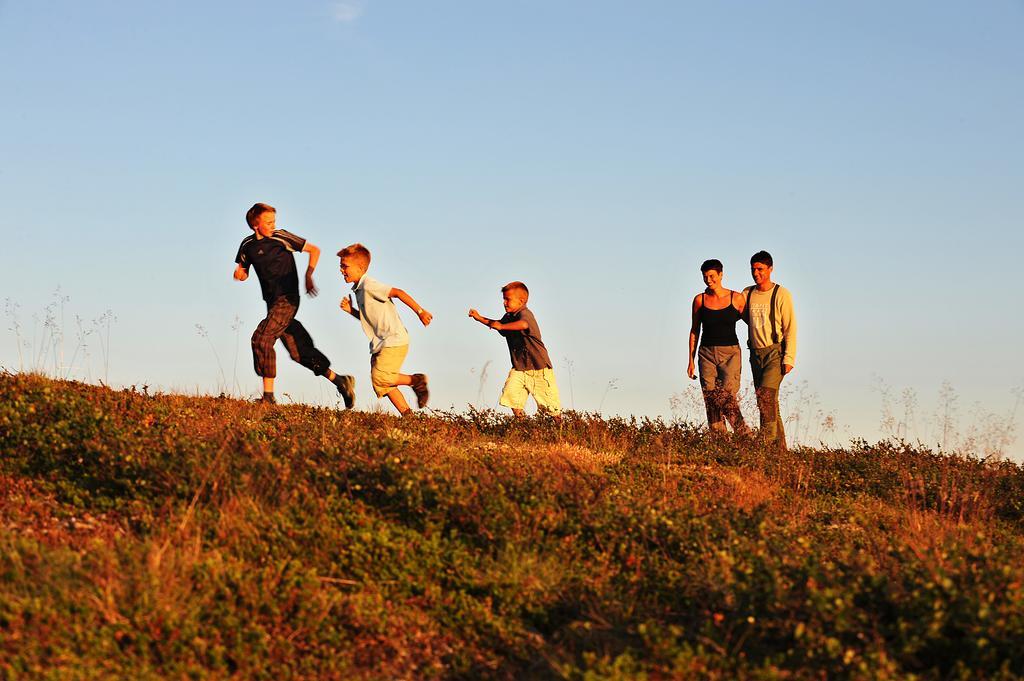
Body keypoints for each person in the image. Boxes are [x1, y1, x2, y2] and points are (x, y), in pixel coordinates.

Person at [233, 202, 355, 407]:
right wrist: (240, 274)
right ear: (256, 224)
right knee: (299, 352)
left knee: (262, 339)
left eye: (274, 221)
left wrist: (308, 275)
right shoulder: (247, 245)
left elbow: (314, 250)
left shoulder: (282, 237)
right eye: (268, 222)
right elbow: (242, 268)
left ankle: (268, 398)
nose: (273, 225)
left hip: (287, 299)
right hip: (272, 304)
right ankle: (340, 381)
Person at [337, 243, 432, 416]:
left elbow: (398, 292)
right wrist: (351, 311)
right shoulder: (359, 290)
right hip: (380, 342)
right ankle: (408, 416)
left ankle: (417, 380)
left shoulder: (369, 285)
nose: (341, 270)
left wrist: (420, 311)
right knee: (381, 384)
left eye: (345, 266)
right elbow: (367, 319)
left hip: (394, 339)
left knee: (381, 377)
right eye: (340, 266)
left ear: (360, 267)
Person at [469, 281, 561, 418]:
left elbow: (523, 324)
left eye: (508, 299)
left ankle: (561, 433)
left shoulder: (525, 314)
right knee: (512, 397)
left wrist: (501, 327)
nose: (504, 303)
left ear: (521, 301)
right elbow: (497, 324)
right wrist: (479, 318)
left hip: (539, 368)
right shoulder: (508, 317)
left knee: (550, 407)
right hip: (519, 369)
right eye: (503, 299)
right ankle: (523, 427)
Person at [742, 250, 797, 451]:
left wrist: (789, 357)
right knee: (768, 402)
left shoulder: (781, 294)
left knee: (765, 397)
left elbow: (790, 327)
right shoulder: (747, 293)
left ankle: (764, 446)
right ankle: (780, 452)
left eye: (761, 269)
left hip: (775, 353)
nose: (756, 273)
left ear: (770, 269)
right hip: (755, 354)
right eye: (753, 269)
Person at [686, 259, 748, 433]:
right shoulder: (700, 300)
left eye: (712, 276)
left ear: (721, 275)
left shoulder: (736, 298)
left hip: (730, 354)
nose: (708, 280)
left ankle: (745, 437)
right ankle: (719, 442)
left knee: (727, 399)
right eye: (705, 277)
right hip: (706, 354)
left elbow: (752, 323)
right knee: (711, 399)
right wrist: (691, 360)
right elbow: (694, 330)